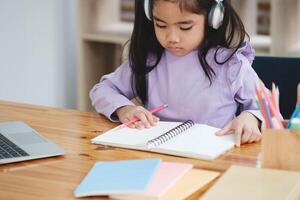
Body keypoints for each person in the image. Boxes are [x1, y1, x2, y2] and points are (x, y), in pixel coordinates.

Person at [90, 0, 262, 147]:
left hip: (215, 157)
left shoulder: (231, 64)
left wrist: (250, 117)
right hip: (159, 154)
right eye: (161, 25)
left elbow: (265, 107)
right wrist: (124, 108)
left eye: (185, 27)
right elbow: (102, 90)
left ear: (214, 19)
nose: (172, 37)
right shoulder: (149, 60)